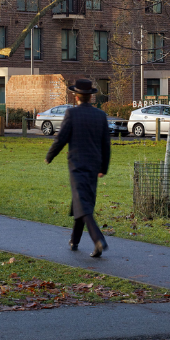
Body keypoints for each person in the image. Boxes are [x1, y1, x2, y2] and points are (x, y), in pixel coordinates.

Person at [45, 78, 111, 257]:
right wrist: (104, 167)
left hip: (77, 166)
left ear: (76, 97)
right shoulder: (100, 115)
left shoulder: (71, 114)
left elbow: (61, 138)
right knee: (82, 201)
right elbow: (106, 144)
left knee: (83, 204)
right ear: (91, 97)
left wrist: (50, 156)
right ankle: (75, 240)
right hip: (94, 165)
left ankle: (98, 239)